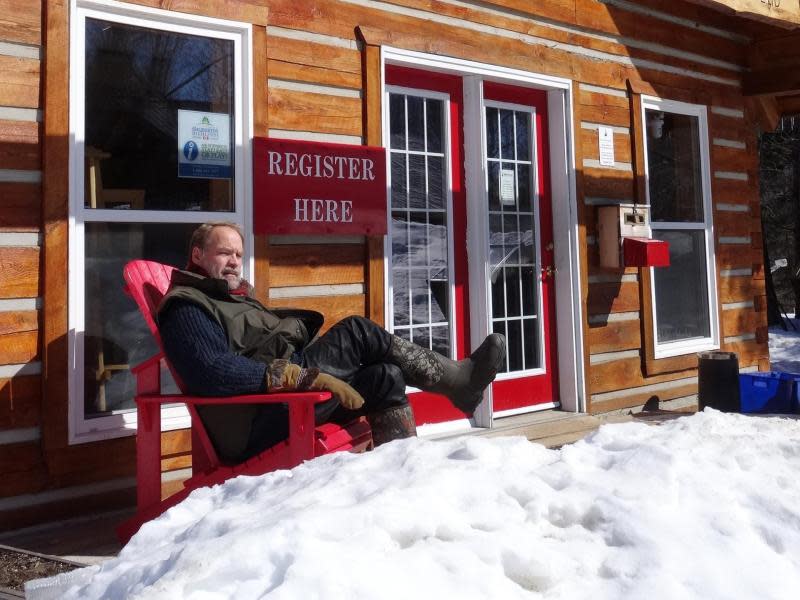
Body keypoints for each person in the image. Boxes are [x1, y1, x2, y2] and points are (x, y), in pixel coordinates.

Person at [158, 222, 505, 461]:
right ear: (198, 256)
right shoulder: (187, 307)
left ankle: (401, 477)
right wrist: (294, 376)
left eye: (237, 254)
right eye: (223, 253)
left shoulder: (231, 298)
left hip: (284, 399)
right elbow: (212, 371)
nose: (233, 261)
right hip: (258, 416)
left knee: (385, 376)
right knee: (357, 330)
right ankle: (457, 382)